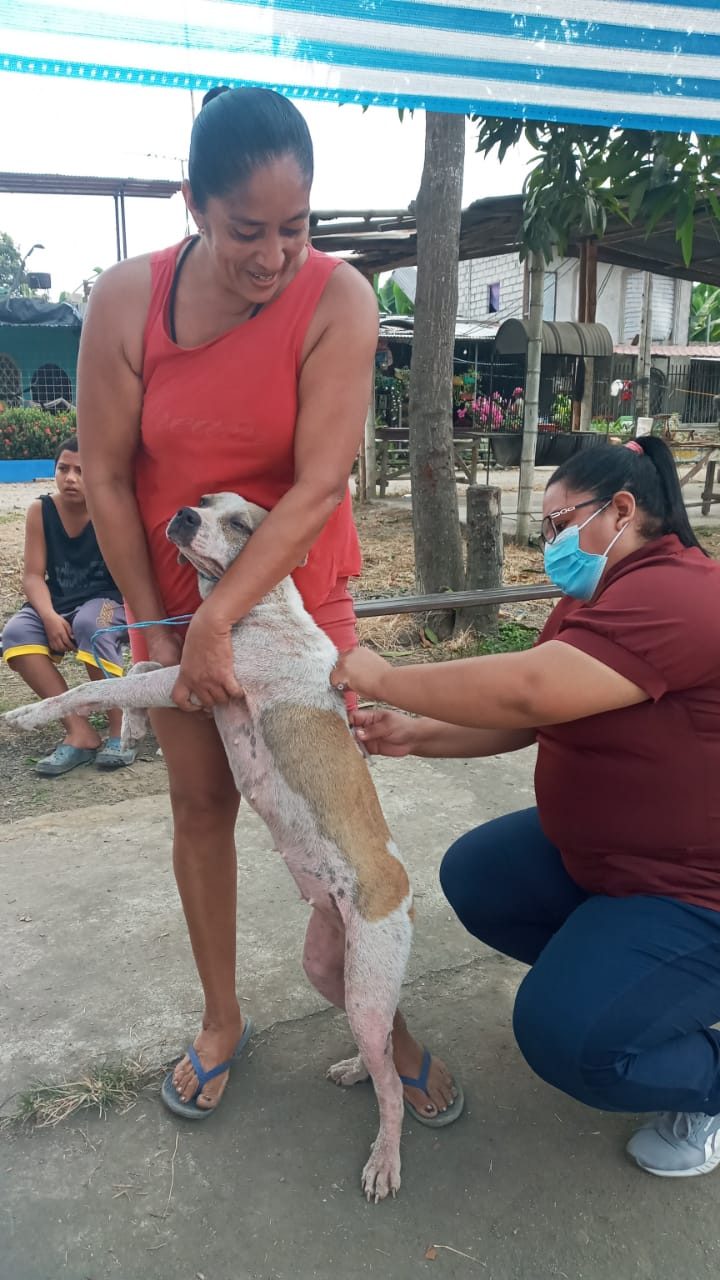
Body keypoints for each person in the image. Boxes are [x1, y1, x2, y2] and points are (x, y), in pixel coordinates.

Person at [76, 85, 462, 1124]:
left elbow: (322, 481)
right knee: (202, 806)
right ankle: (221, 1019)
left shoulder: (338, 298)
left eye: (296, 226)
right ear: (193, 204)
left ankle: (385, 1022)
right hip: (173, 594)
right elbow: (106, 474)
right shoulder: (126, 300)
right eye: (247, 229)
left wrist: (220, 621)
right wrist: (160, 623)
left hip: (296, 601)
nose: (274, 255)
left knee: (336, 820)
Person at [332, 435, 720, 1178]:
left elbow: (529, 691)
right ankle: (638, 993)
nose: (549, 544)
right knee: (480, 875)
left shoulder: (683, 593)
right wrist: (417, 735)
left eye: (557, 524)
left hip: (695, 892)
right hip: (615, 863)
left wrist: (387, 676)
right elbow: (543, 716)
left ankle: (702, 1075)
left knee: (566, 1039)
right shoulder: (594, 597)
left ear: (622, 511)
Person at [2, 436, 135, 775]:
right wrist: (48, 616)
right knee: (16, 635)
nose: (71, 478)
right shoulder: (41, 511)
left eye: (81, 470)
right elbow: (33, 576)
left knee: (92, 625)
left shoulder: (114, 510)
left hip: (109, 601)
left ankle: (121, 730)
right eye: (63, 469)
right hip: (59, 601)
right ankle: (79, 730)